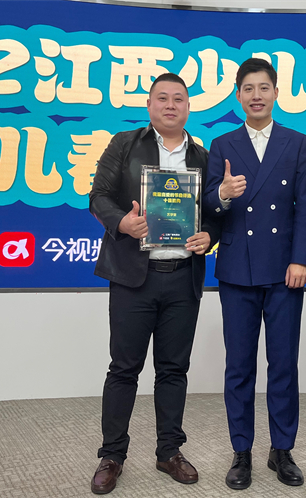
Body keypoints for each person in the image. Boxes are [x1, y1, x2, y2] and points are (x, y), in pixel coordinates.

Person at [88, 73, 220, 495]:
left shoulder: (202, 157)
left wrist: (209, 235)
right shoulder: (125, 144)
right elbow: (98, 196)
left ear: (188, 107)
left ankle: (169, 452)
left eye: (178, 99)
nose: (170, 105)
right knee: (124, 369)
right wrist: (121, 223)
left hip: (183, 278)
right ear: (149, 106)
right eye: (162, 98)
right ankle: (112, 455)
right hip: (133, 278)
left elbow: (215, 213)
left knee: (173, 370)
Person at [202, 58, 306, 490]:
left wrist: (301, 259)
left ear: (276, 93)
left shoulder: (296, 142)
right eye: (248, 88)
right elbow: (208, 205)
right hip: (237, 269)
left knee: (283, 363)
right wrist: (223, 194)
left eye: (263, 88)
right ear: (238, 95)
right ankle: (242, 451)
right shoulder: (222, 144)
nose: (256, 95)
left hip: (285, 270)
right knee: (239, 366)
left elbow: (305, 205)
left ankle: (281, 449)